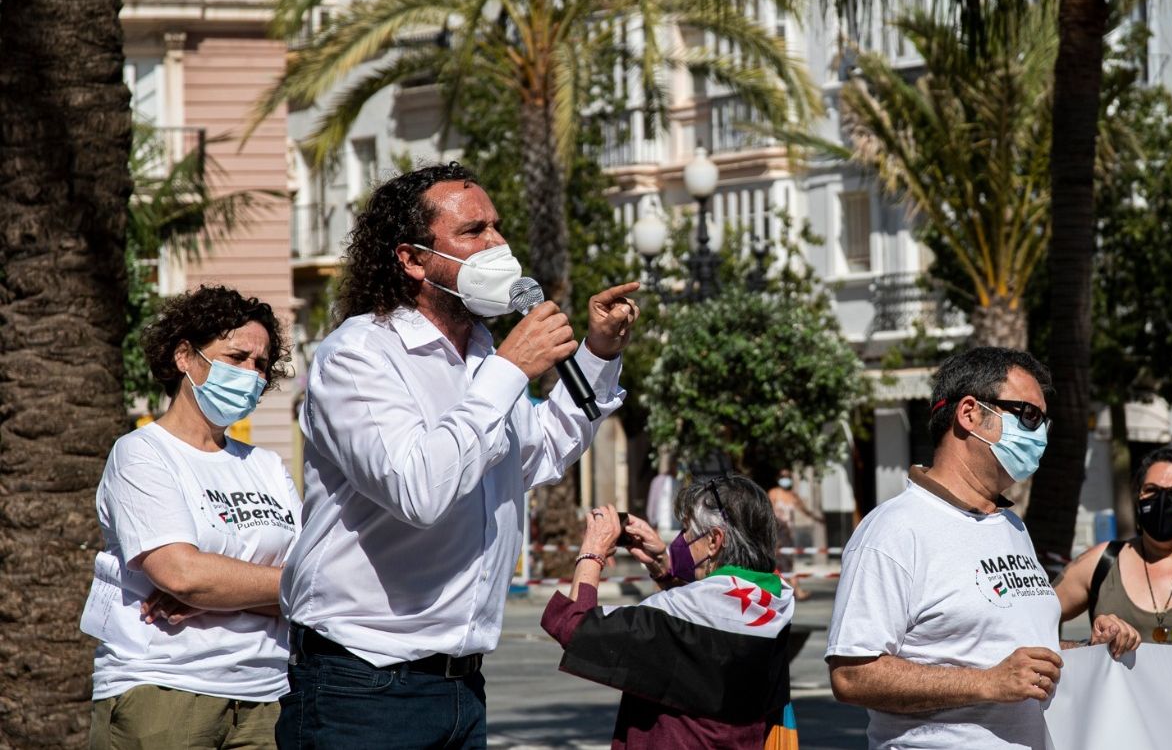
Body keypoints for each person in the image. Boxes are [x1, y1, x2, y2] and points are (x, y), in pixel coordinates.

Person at [276, 163, 640, 749]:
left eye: (497, 228)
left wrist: (597, 354)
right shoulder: (360, 356)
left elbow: (539, 453)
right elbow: (418, 491)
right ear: (413, 259)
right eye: (473, 232)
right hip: (361, 684)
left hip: (461, 687)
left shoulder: (480, 353)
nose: (498, 245)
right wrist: (507, 372)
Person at [826, 346, 1139, 749]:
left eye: (1045, 421)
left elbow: (1006, 650)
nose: (1040, 433)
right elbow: (851, 675)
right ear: (970, 413)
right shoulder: (893, 531)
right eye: (1029, 416)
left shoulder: (1008, 525)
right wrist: (987, 683)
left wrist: (1088, 652)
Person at [82, 286, 298, 749]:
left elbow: (321, 583)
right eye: (236, 356)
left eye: (260, 365)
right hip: (164, 693)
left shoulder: (266, 467)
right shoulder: (140, 454)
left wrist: (217, 592)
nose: (251, 374)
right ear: (185, 356)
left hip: (267, 700)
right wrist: (253, 587)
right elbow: (180, 573)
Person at [541, 476, 797, 748]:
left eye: (688, 530)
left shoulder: (681, 616)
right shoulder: (775, 601)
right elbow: (707, 615)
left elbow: (575, 626)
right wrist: (662, 565)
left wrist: (593, 551)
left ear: (714, 541)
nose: (682, 540)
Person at [1056, 447, 1172, 644]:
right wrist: (1082, 648)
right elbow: (1031, 619)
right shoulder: (1102, 562)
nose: (1162, 501)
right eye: (1151, 490)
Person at [768, 467, 825, 600]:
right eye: (783, 476)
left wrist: (817, 518)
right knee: (778, 562)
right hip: (777, 532)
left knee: (787, 563)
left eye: (787, 476)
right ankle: (794, 590)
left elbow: (804, 510)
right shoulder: (774, 493)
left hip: (788, 534)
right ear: (778, 478)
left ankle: (792, 590)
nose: (785, 479)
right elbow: (768, 513)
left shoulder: (793, 496)